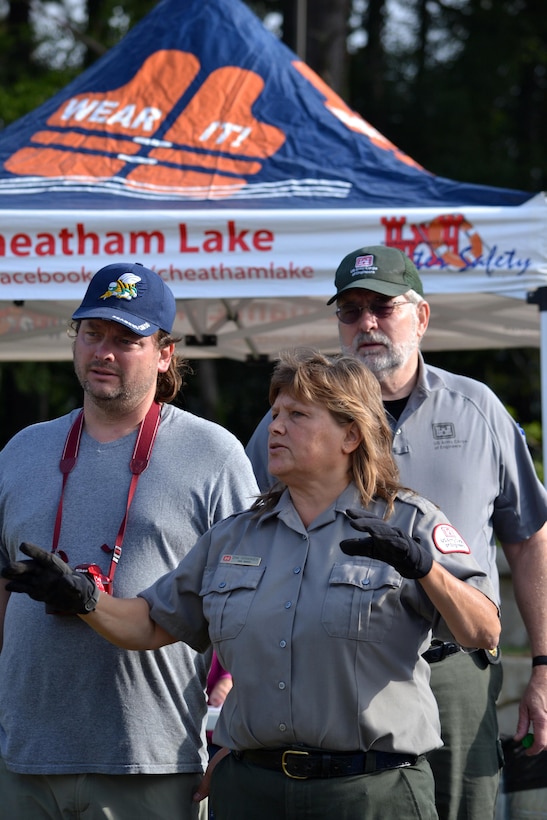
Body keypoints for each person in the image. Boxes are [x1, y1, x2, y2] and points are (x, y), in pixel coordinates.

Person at [2, 348, 501, 820]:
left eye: (298, 416)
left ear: (351, 435)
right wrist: (87, 600)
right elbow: (151, 623)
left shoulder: (408, 524)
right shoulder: (236, 536)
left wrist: (425, 569)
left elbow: (484, 631)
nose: (276, 427)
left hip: (370, 792)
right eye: (276, 413)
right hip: (256, 789)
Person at [245, 246, 547, 820]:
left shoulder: (476, 410)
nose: (367, 324)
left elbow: (530, 538)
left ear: (422, 316)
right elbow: (247, 537)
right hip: (340, 673)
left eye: (383, 307)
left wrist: (544, 665)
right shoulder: (289, 421)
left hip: (454, 664)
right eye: (351, 311)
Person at [0, 262, 259, 820]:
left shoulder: (214, 455)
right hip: (23, 757)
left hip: (150, 758)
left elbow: (254, 601)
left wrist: (239, 724)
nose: (104, 352)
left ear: (165, 353)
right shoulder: (22, 450)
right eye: (92, 334)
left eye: (126, 339)